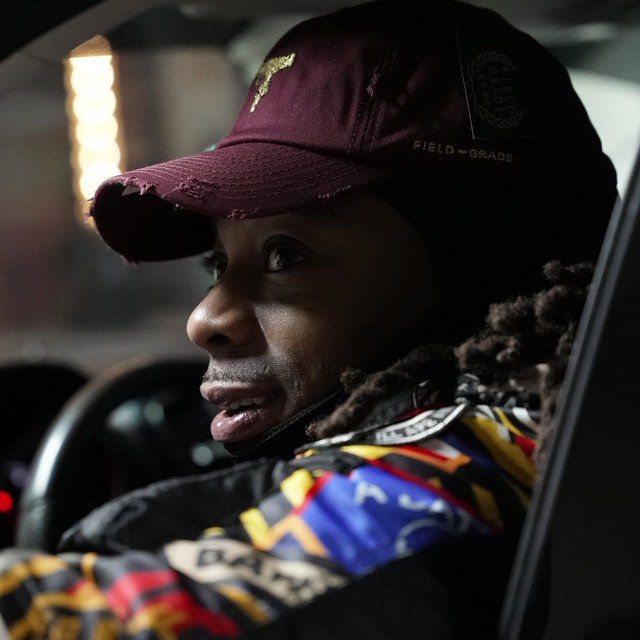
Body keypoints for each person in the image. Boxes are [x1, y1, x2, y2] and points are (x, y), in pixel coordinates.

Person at [0, 1, 616, 638]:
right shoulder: (566, 423)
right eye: (218, 263)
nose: (205, 318)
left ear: (480, 269)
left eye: (284, 256)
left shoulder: (471, 462)